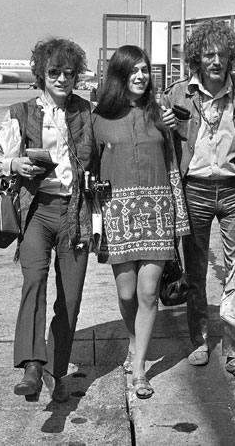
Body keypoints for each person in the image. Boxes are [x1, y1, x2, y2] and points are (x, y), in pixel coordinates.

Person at [0, 37, 98, 403]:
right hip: (36, 211)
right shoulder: (21, 113)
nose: (62, 79)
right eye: (54, 72)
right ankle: (33, 365)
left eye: (69, 73)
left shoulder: (88, 113)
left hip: (75, 214)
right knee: (34, 281)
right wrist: (15, 163)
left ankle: (56, 371)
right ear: (41, 75)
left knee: (71, 299)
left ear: (77, 76)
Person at [161, 19, 235, 382]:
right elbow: (157, 138)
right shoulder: (177, 94)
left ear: (230, 57)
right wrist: (163, 125)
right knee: (196, 271)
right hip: (195, 190)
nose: (215, 61)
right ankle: (199, 339)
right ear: (197, 59)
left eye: (221, 54)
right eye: (208, 55)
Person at [93, 45, 189, 399]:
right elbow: (88, 166)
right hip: (117, 215)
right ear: (119, 75)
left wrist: (176, 130)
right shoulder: (99, 118)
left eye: (145, 69)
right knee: (127, 293)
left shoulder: (161, 114)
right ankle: (135, 341)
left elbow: (179, 160)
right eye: (133, 70)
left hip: (157, 213)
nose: (141, 76)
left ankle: (139, 370)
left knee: (149, 293)